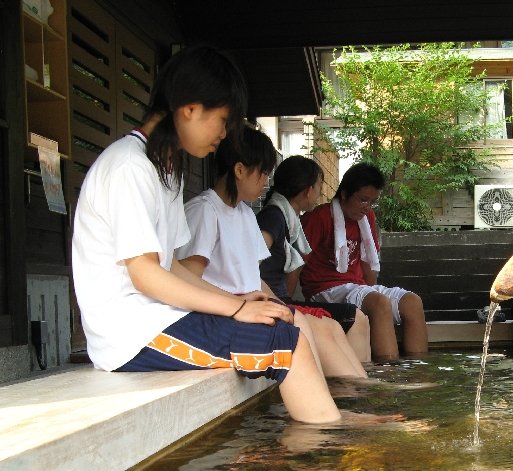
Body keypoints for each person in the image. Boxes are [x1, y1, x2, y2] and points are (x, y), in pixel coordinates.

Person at [71, 45, 345, 425]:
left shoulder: (164, 169)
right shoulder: (128, 167)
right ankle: (329, 446)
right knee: (285, 343)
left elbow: (171, 266)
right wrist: (235, 308)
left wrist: (237, 299)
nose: (225, 134)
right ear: (190, 108)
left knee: (277, 322)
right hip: (130, 335)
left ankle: (328, 429)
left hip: (157, 319)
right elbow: (146, 275)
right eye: (223, 120)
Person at [176, 126, 368, 380]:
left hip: (250, 305)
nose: (266, 182)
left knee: (329, 326)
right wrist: (241, 304)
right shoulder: (204, 211)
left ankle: (361, 390)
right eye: (263, 173)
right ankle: (350, 400)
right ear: (240, 170)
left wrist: (279, 304)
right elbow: (190, 280)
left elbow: (254, 278)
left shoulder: (243, 213)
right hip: (223, 312)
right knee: (313, 330)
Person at [300, 163, 428, 361]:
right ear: (344, 194)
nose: (367, 207)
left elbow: (368, 261)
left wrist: (372, 294)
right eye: (362, 200)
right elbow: (297, 260)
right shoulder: (320, 217)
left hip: (356, 287)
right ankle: (388, 377)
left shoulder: (367, 217)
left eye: (372, 202)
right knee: (379, 303)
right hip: (324, 290)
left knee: (412, 302)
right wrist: (285, 301)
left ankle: (418, 374)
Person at [256, 155, 372, 364]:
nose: (320, 193)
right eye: (319, 185)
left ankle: (359, 381)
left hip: (279, 300)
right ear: (309, 190)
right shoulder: (274, 217)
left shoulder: (287, 218)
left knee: (353, 318)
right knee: (353, 318)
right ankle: (356, 387)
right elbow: (251, 260)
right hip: (273, 302)